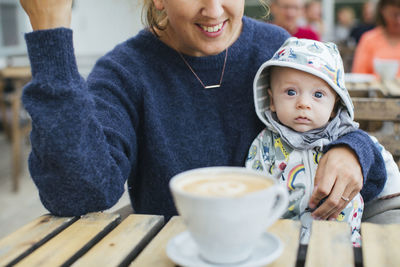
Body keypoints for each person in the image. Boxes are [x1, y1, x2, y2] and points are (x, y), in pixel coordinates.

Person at [19, 0, 386, 221]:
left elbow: (341, 126)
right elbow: (78, 195)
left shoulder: (277, 50)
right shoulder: (124, 71)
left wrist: (352, 150)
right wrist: (51, 35)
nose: (213, 10)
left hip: (278, 249)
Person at [246, 37, 400, 246]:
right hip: (283, 241)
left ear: (335, 107)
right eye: (291, 92)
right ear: (272, 101)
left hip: (346, 241)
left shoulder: (349, 141)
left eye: (318, 94)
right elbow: (253, 189)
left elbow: (386, 173)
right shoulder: (266, 144)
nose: (303, 103)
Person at [352, 0, 400, 77]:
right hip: (375, 88)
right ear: (383, 11)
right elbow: (359, 74)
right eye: (394, 14)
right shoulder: (369, 39)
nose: (398, 20)